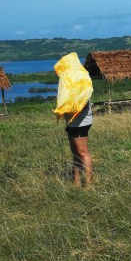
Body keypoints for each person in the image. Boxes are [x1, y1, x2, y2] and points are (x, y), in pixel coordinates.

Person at [54, 52, 93, 188]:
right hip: (71, 121)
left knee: (83, 152)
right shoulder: (70, 78)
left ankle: (88, 185)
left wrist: (68, 109)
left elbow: (82, 102)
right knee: (75, 152)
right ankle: (76, 181)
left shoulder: (81, 77)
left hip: (81, 121)